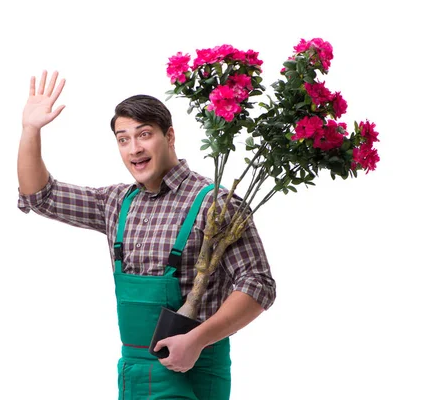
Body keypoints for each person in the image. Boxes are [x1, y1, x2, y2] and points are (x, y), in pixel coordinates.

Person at [17, 70, 276, 399]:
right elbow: (41, 196)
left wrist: (198, 339)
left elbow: (258, 284)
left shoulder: (215, 203)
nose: (134, 148)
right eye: (123, 139)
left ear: (169, 136)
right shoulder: (116, 203)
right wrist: (30, 130)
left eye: (144, 135)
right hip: (134, 373)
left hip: (193, 369)